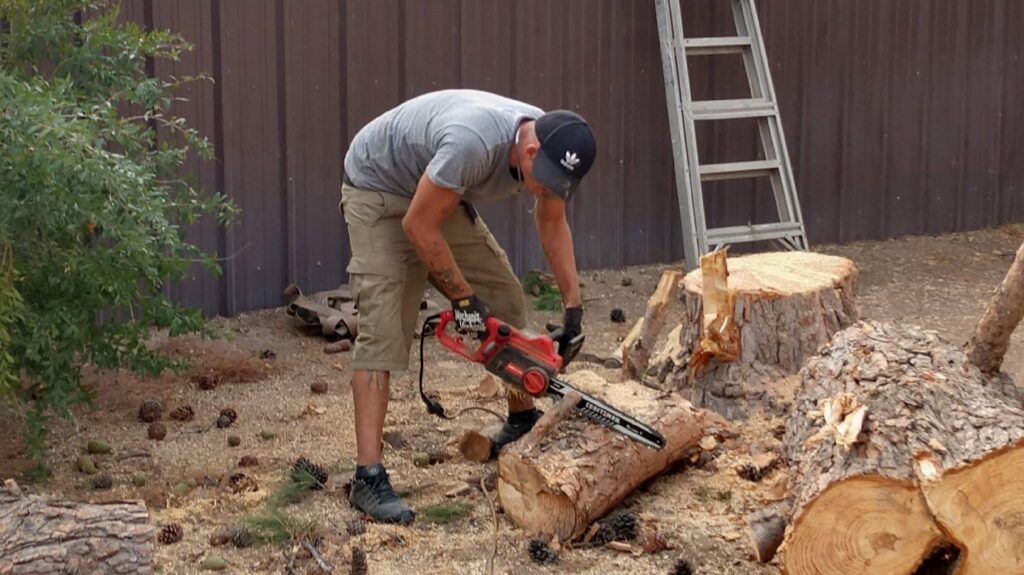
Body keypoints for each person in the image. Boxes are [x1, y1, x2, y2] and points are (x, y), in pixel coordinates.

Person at [339, 89, 597, 524]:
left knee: (505, 299)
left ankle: (520, 419)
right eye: (545, 179)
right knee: (384, 331)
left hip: (436, 188)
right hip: (379, 190)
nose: (546, 189)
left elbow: (551, 220)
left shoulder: (555, 142)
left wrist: (573, 309)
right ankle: (368, 476)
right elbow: (418, 225)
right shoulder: (473, 143)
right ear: (529, 149)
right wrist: (462, 300)